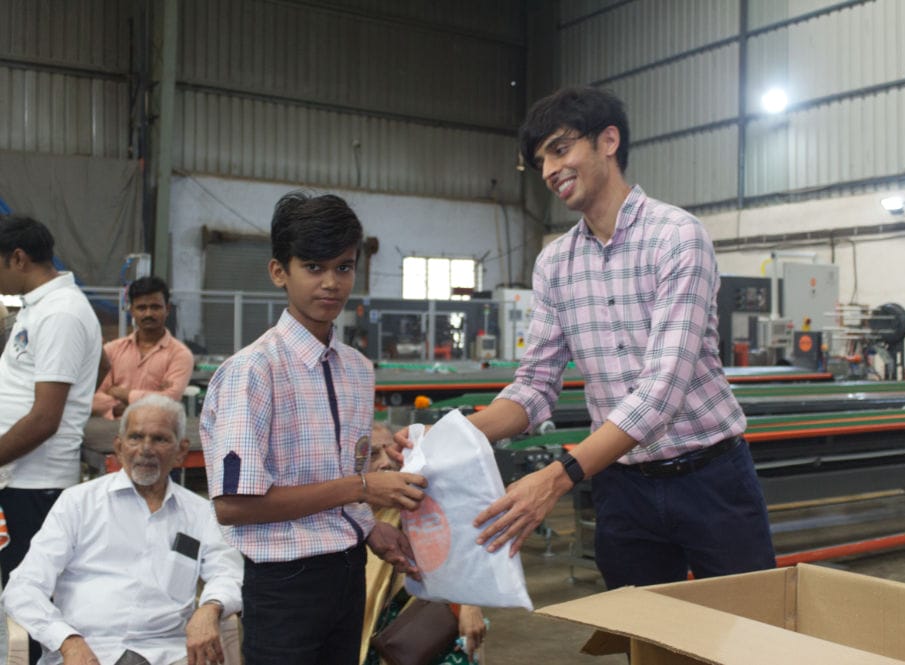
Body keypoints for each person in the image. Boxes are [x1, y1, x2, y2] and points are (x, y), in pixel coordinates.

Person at [408, 86, 776, 589]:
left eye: (560, 149)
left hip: (709, 478)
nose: (549, 169)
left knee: (751, 627)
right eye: (540, 160)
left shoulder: (677, 237)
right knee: (642, 638)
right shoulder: (555, 263)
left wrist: (558, 476)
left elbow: (661, 393)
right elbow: (535, 386)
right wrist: (441, 440)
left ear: (608, 140)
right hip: (622, 489)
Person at [200, 191, 428, 665]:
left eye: (343, 268)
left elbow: (343, 472)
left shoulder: (357, 370)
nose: (330, 283)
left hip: (348, 573)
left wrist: (368, 528)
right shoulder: (253, 373)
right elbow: (234, 505)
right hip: (285, 585)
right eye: (314, 267)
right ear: (279, 272)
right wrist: (364, 487)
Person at [1, 394, 243, 665]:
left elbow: (229, 574)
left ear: (181, 451)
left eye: (160, 439)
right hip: (87, 651)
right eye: (136, 437)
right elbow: (23, 587)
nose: (146, 449)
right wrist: (67, 640)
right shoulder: (78, 503)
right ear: (118, 446)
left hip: (168, 653)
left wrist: (210, 607)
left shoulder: (200, 513)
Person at [0, 215, 103, 591]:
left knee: (30, 597)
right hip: (18, 476)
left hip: (34, 483)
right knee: (17, 592)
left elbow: (45, 419)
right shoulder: (37, 307)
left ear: (18, 258)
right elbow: (101, 364)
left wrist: (68, 414)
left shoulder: (60, 312)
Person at [362, 422, 486, 665]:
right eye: (373, 454)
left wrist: (470, 606)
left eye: (393, 451)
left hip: (424, 629)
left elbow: (462, 556)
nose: (387, 463)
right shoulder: (342, 516)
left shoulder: (423, 504)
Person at [92, 276, 195, 419]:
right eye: (141, 308)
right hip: (107, 434)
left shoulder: (180, 355)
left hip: (156, 433)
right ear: (131, 310)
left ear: (168, 309)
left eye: (155, 307)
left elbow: (169, 400)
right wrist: (118, 407)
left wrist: (122, 393)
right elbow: (92, 397)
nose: (148, 314)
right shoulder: (112, 350)